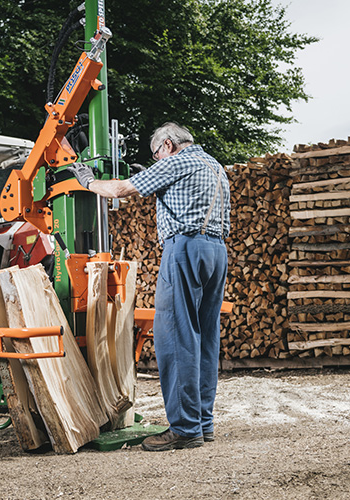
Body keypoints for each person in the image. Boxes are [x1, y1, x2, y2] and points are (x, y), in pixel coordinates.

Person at [67, 122, 230, 451]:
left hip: (184, 248)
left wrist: (86, 179)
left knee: (176, 335)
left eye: (157, 155)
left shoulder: (176, 162)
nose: (157, 162)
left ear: (167, 145)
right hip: (215, 252)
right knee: (205, 338)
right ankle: (203, 423)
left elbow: (117, 191)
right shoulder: (214, 165)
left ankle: (185, 429)